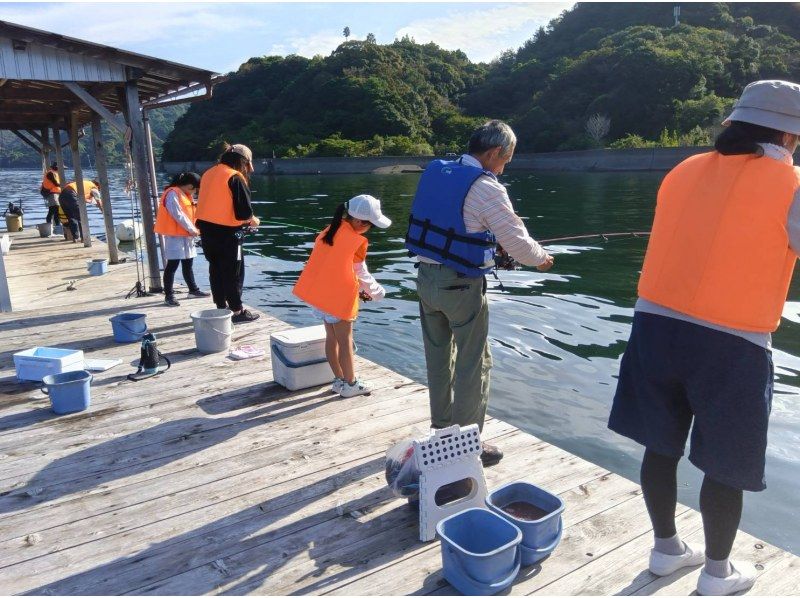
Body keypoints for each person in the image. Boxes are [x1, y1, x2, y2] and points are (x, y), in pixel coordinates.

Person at [608, 80, 800, 596]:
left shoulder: (684, 169)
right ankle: (718, 574)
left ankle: (665, 550)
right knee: (726, 463)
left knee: (660, 444)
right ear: (787, 134)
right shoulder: (793, 185)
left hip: (654, 327)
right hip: (732, 342)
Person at [405, 120, 554, 467]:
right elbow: (518, 245)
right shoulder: (487, 188)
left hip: (425, 280)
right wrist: (543, 260)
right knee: (475, 362)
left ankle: (441, 431)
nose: (504, 168)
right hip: (460, 287)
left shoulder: (437, 172)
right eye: (505, 160)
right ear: (492, 153)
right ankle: (466, 442)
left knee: (438, 360)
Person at [293, 194, 390, 397]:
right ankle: (351, 383)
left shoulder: (330, 230)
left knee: (331, 338)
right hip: (338, 299)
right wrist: (378, 292)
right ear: (357, 221)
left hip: (321, 298)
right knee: (345, 342)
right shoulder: (355, 240)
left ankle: (338, 380)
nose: (369, 229)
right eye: (369, 225)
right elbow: (361, 273)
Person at [195, 144, 261, 323]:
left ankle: (221, 307)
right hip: (229, 234)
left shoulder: (208, 173)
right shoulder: (234, 177)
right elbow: (244, 213)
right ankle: (237, 311)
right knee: (234, 272)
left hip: (206, 231)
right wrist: (253, 220)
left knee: (215, 268)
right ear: (243, 161)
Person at [153, 172, 210, 306]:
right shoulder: (172, 193)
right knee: (172, 266)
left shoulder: (186, 194)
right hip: (175, 236)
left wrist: (193, 229)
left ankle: (193, 290)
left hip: (187, 234)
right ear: (190, 186)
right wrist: (192, 229)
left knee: (188, 263)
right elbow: (177, 214)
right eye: (195, 189)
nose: (196, 192)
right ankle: (169, 295)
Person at [39, 162, 61, 231]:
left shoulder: (56, 173)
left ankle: (55, 227)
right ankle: (53, 227)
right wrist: (64, 184)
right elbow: (56, 183)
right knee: (54, 211)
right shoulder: (50, 173)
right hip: (52, 193)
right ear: (55, 167)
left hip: (56, 193)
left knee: (53, 211)